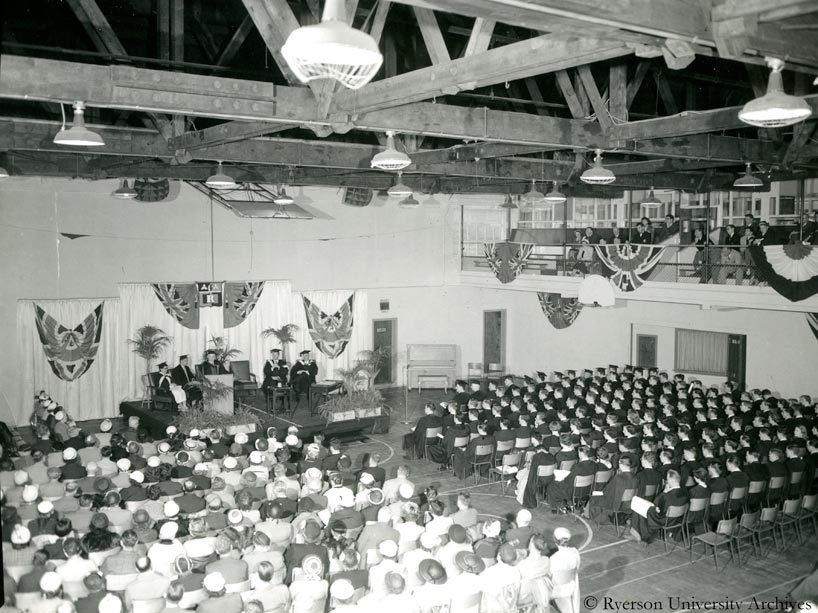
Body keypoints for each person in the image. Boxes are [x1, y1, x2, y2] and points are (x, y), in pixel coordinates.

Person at [550, 528, 581, 613]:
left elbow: (549, 576)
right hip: (571, 586)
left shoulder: (554, 558)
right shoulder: (575, 552)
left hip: (556, 591)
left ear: (554, 540)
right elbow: (577, 568)